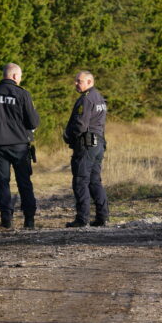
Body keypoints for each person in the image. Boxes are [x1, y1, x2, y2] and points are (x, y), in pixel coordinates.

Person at [0, 63, 40, 229]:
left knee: (2, 183)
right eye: (20, 76)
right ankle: (29, 220)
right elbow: (33, 122)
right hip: (19, 146)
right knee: (24, 182)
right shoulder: (22, 94)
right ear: (14, 76)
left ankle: (6, 219)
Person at [63, 70, 109, 227]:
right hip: (98, 144)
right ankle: (102, 217)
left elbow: (80, 124)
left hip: (87, 145)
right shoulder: (100, 98)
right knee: (95, 181)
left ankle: (82, 219)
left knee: (81, 181)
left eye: (79, 81)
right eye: (75, 80)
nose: (76, 83)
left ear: (89, 82)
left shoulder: (87, 99)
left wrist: (70, 137)